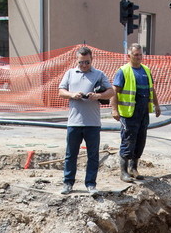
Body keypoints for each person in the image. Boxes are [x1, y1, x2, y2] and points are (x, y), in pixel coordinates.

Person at [58, 46, 115, 195]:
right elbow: (61, 91)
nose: (84, 65)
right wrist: (72, 95)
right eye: (81, 62)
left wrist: (97, 96)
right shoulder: (70, 73)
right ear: (77, 61)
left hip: (92, 123)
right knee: (71, 154)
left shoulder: (98, 74)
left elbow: (111, 92)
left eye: (87, 62)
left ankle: (90, 184)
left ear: (92, 60)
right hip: (74, 122)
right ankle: (68, 182)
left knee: (93, 155)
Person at [111, 43, 161, 182]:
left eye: (140, 54)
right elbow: (114, 91)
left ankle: (134, 168)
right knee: (128, 141)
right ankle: (123, 171)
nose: (138, 57)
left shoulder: (146, 70)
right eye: (135, 55)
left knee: (140, 141)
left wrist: (156, 105)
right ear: (129, 56)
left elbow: (152, 89)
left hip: (143, 112)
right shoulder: (123, 71)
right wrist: (114, 109)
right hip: (129, 113)